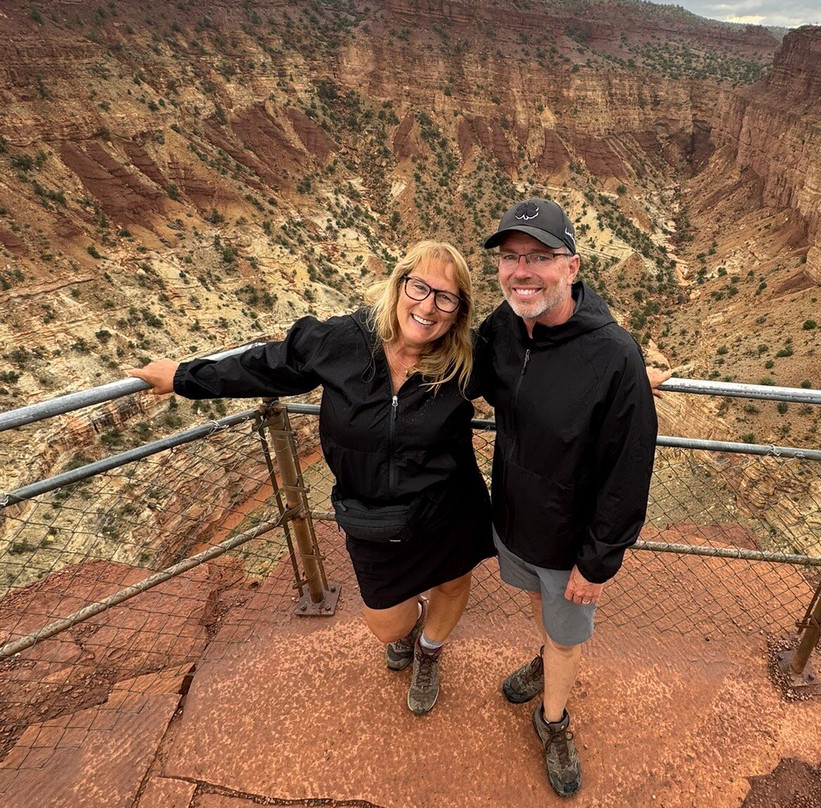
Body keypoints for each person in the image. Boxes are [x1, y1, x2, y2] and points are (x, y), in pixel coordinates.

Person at [130, 241, 493, 716]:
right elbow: (267, 366)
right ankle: (411, 626)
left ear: (459, 311)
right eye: (419, 287)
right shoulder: (343, 341)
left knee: (452, 584)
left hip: (450, 508)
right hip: (373, 517)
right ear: (399, 283)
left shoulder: (467, 359)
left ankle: (429, 649)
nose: (427, 306)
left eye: (445, 297)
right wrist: (184, 377)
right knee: (386, 624)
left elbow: (536, 382)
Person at [469, 198, 657, 797]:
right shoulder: (502, 328)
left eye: (539, 257)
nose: (521, 271)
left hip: (572, 542)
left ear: (571, 267)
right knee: (543, 614)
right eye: (510, 258)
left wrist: (597, 562)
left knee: (568, 635)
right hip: (516, 521)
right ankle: (545, 657)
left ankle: (552, 722)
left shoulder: (614, 356)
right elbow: (466, 376)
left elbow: (628, 471)